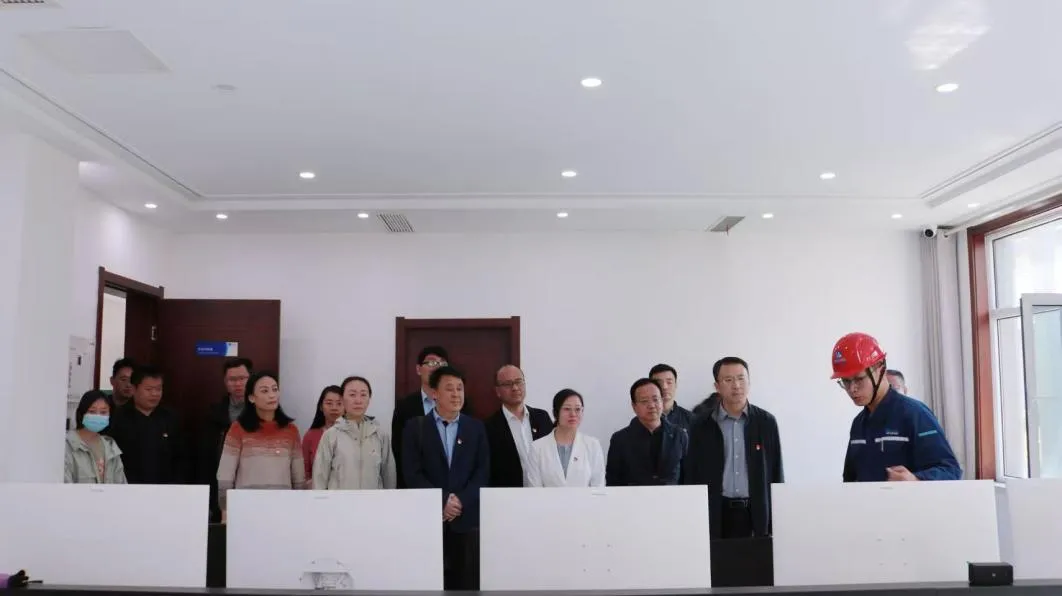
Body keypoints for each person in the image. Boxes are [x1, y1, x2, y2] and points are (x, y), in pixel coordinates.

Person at [402, 366, 489, 591]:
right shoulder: (415, 427)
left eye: (460, 388)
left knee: (466, 585)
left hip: (466, 521)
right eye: (449, 389)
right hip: (429, 520)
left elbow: (482, 472)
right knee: (429, 584)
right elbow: (411, 473)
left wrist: (460, 500)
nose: (456, 394)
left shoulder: (475, 428)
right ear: (435, 394)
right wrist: (442, 501)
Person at [832, 332, 961, 482]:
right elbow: (850, 480)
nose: (852, 389)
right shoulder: (858, 424)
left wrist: (916, 480)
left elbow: (950, 471)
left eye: (859, 379)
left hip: (907, 499)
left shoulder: (916, 415)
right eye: (846, 381)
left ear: (880, 369)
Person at [683, 357, 783, 539]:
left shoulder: (766, 422)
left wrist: (776, 521)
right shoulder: (701, 424)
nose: (736, 385)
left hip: (755, 513)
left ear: (749, 382)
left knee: (756, 558)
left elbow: (776, 472)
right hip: (716, 512)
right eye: (728, 380)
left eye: (741, 378)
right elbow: (691, 473)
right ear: (717, 386)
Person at [216, 371, 306, 518]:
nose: (272, 395)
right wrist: (225, 509)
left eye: (275, 389)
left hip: (282, 506)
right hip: (246, 506)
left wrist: (300, 506)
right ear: (251, 397)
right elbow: (226, 474)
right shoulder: (238, 429)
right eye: (265, 391)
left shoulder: (291, 430)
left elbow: (299, 477)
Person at [108, 366, 188, 484]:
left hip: (165, 488)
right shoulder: (118, 418)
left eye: (158, 389)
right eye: (149, 389)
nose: (154, 394)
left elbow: (180, 458)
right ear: (134, 389)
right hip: (128, 487)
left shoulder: (170, 418)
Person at [313, 376, 396, 490]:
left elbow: (389, 475)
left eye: (363, 395)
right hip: (339, 501)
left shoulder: (380, 435)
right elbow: (319, 478)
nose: (358, 400)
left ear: (369, 399)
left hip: (373, 500)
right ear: (342, 399)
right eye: (352, 395)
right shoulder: (331, 435)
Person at [605, 378, 688, 486]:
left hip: (672, 496)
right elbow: (613, 482)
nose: (652, 405)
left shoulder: (679, 435)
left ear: (662, 401)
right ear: (634, 406)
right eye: (644, 401)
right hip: (634, 496)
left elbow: (688, 476)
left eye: (655, 399)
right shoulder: (620, 439)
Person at [201, 357, 253, 523]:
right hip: (220, 482)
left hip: (251, 482)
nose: (237, 384)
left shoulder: (261, 411)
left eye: (242, 378)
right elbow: (205, 456)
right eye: (232, 379)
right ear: (225, 382)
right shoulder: (213, 414)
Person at [484, 364, 553, 487]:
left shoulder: (542, 417)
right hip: (509, 494)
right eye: (507, 384)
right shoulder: (489, 427)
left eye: (518, 382)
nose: (515, 388)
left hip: (544, 492)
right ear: (498, 391)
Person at [392, 345, 449, 488]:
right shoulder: (404, 407)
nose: (437, 367)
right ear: (418, 369)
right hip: (415, 488)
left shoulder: (459, 404)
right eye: (431, 362)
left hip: (452, 489)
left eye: (442, 363)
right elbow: (399, 451)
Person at [525, 389, 605, 487]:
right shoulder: (537, 448)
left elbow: (598, 486)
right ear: (555, 412)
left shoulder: (593, 445)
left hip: (584, 498)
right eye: (567, 409)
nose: (573, 414)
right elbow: (534, 489)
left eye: (577, 409)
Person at [65, 390, 127, 484]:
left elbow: (121, 485)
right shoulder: (68, 444)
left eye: (103, 412)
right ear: (82, 413)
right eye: (92, 411)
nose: (98, 416)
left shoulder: (110, 447)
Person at [302, 385, 344, 480]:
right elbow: (305, 471)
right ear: (321, 407)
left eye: (339, 403)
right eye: (329, 403)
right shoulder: (310, 436)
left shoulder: (353, 435)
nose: (334, 408)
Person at [649, 363, 693, 430]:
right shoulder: (641, 420)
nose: (664, 387)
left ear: (676, 385)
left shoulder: (691, 419)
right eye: (658, 383)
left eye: (669, 382)